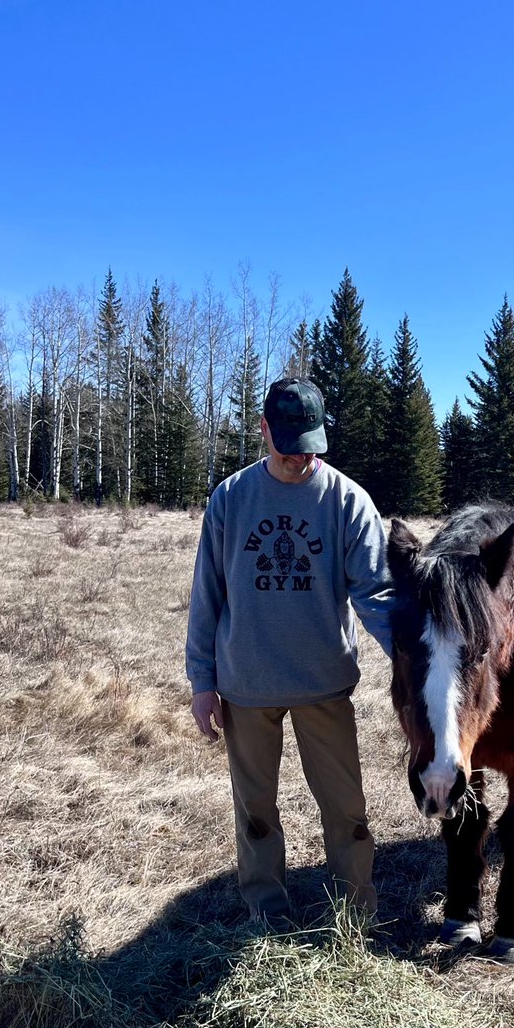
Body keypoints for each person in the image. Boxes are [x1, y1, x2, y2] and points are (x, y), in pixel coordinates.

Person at [186, 377, 394, 928]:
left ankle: (355, 910)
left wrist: (416, 662)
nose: (300, 460)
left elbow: (375, 593)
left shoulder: (348, 501)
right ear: (263, 432)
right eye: (287, 445)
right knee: (255, 811)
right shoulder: (231, 498)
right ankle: (267, 913)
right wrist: (202, 681)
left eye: (310, 447)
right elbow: (207, 593)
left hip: (323, 685)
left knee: (346, 810)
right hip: (246, 686)